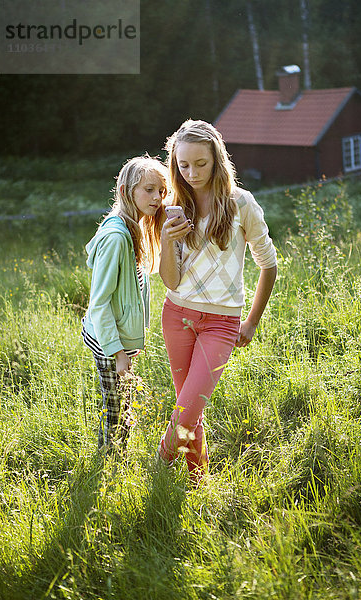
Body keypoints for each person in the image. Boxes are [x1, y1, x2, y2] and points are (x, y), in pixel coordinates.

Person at [157, 119, 277, 485]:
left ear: (217, 160)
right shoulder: (175, 206)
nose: (191, 173)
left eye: (200, 164)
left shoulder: (241, 204)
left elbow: (269, 264)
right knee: (190, 409)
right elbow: (171, 280)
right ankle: (197, 483)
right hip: (176, 314)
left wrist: (252, 321)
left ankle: (155, 469)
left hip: (221, 323)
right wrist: (165, 238)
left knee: (186, 409)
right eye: (183, 165)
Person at [82, 156, 168, 453]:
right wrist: (119, 353)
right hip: (110, 341)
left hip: (120, 339)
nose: (157, 197)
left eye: (161, 191)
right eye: (149, 190)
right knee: (116, 407)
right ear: (124, 191)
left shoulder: (135, 229)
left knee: (122, 401)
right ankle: (112, 463)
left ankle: (117, 458)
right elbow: (99, 303)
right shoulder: (117, 237)